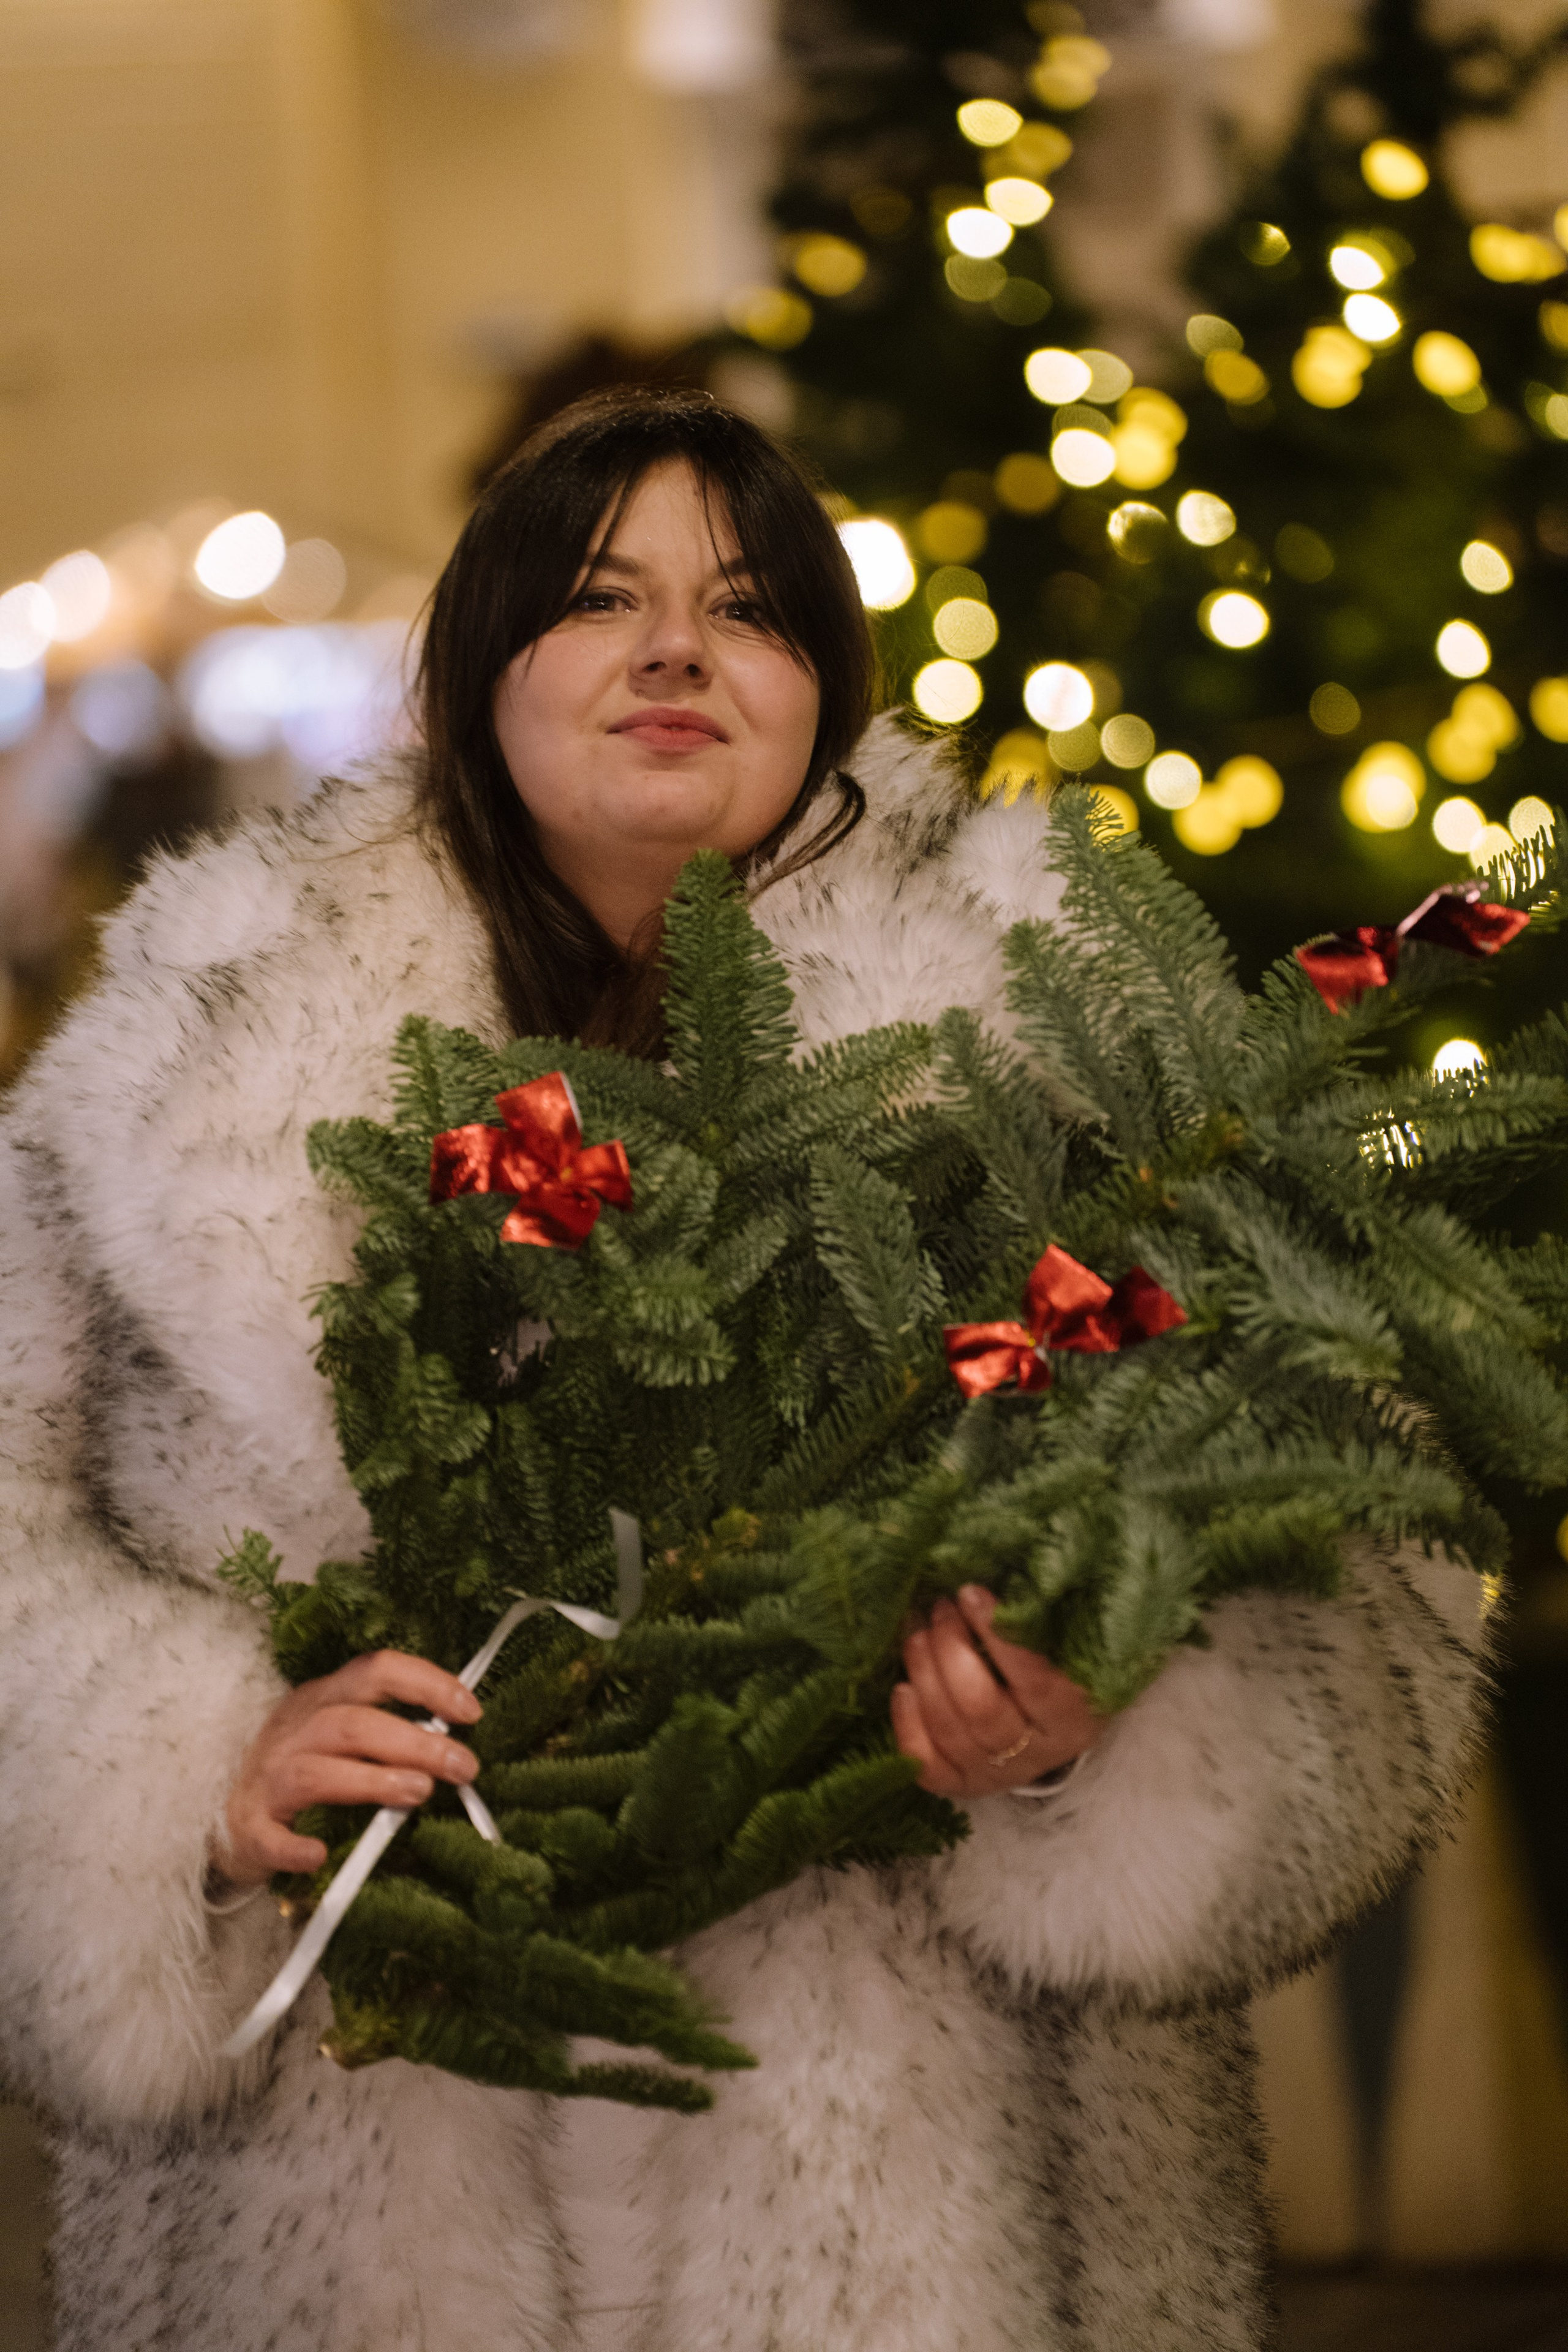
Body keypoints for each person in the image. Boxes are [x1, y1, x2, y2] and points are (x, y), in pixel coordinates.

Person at [0, 388, 1485, 2352]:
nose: (677, 651)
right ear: (477, 668)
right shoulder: (171, 1071)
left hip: (919, 2229)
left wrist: (1099, 1714)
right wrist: (190, 1767)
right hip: (349, 2216)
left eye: (750, 606)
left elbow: (1354, 1554)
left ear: (827, 685)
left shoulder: (1074, 1062)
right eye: (600, 596)